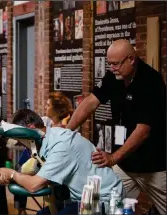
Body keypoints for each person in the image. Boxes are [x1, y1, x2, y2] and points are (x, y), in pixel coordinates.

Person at [66, 39, 166, 214]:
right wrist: (66, 131)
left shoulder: (151, 82)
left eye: (116, 64)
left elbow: (143, 131)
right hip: (125, 164)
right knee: (101, 203)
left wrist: (113, 158)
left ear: (131, 59)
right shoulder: (114, 76)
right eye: (109, 63)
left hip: (154, 166)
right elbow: (91, 102)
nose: (112, 68)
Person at [0, 109, 124, 214]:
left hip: (103, 200)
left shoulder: (60, 144)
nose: (23, 144)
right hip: (81, 199)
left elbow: (34, 185)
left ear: (30, 128)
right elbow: (39, 177)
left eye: (21, 140)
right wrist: (8, 176)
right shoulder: (47, 141)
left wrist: (11, 174)